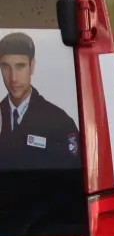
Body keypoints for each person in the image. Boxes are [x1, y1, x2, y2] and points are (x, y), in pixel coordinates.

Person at [0, 32, 79, 168]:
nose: (13, 77)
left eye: (20, 66)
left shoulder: (60, 122)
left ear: (32, 66)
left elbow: (70, 179)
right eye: (6, 67)